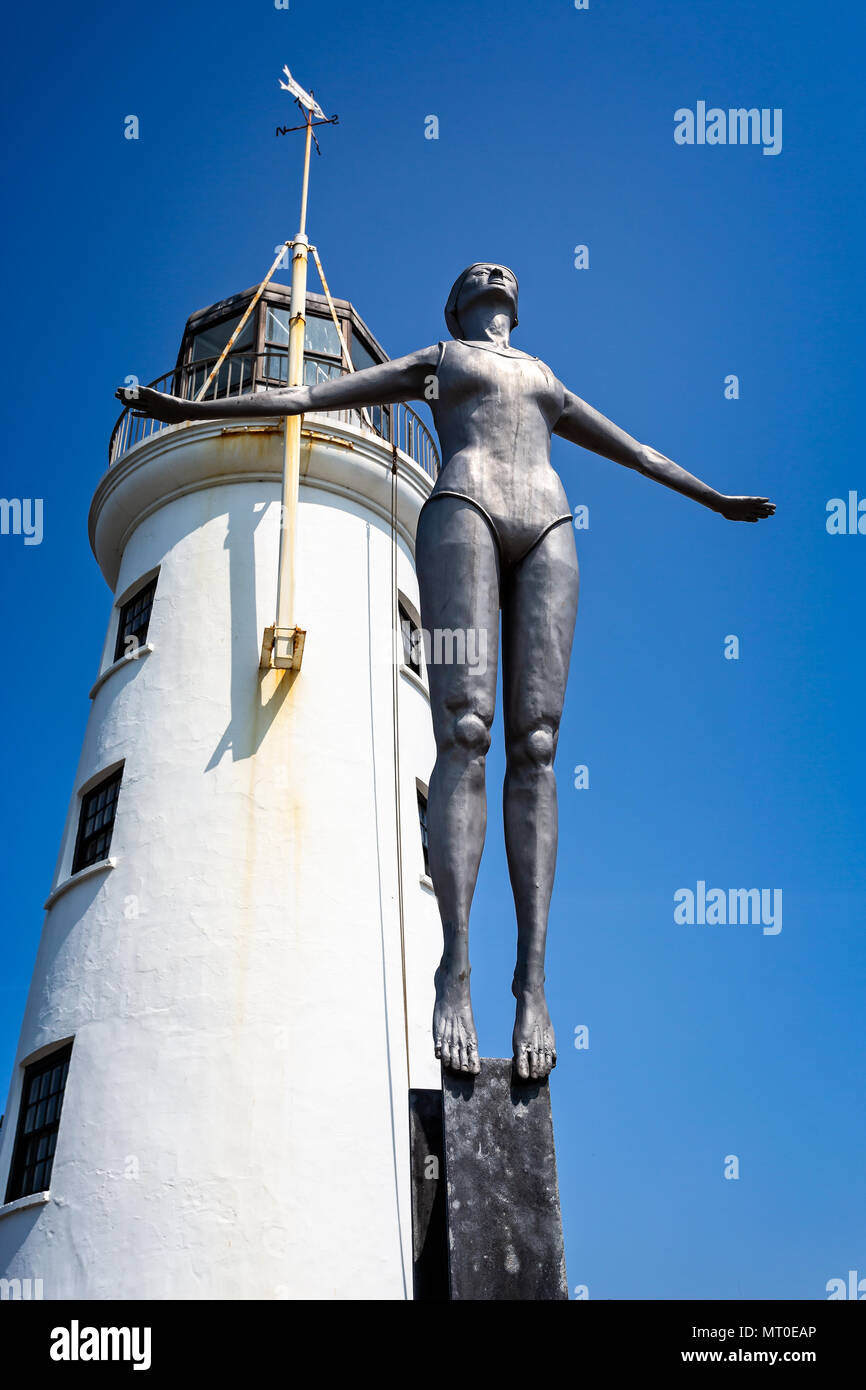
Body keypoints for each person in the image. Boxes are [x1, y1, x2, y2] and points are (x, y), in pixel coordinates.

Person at [119, 262, 775, 1081]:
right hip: (460, 512)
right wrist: (191, 407)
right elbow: (305, 398)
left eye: (503, 270)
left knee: (537, 742)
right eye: (476, 272)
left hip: (550, 529)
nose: (495, 271)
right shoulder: (438, 359)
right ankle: (455, 966)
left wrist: (716, 500)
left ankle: (531, 983)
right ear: (457, 303)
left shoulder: (543, 377)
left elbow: (636, 452)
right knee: (466, 729)